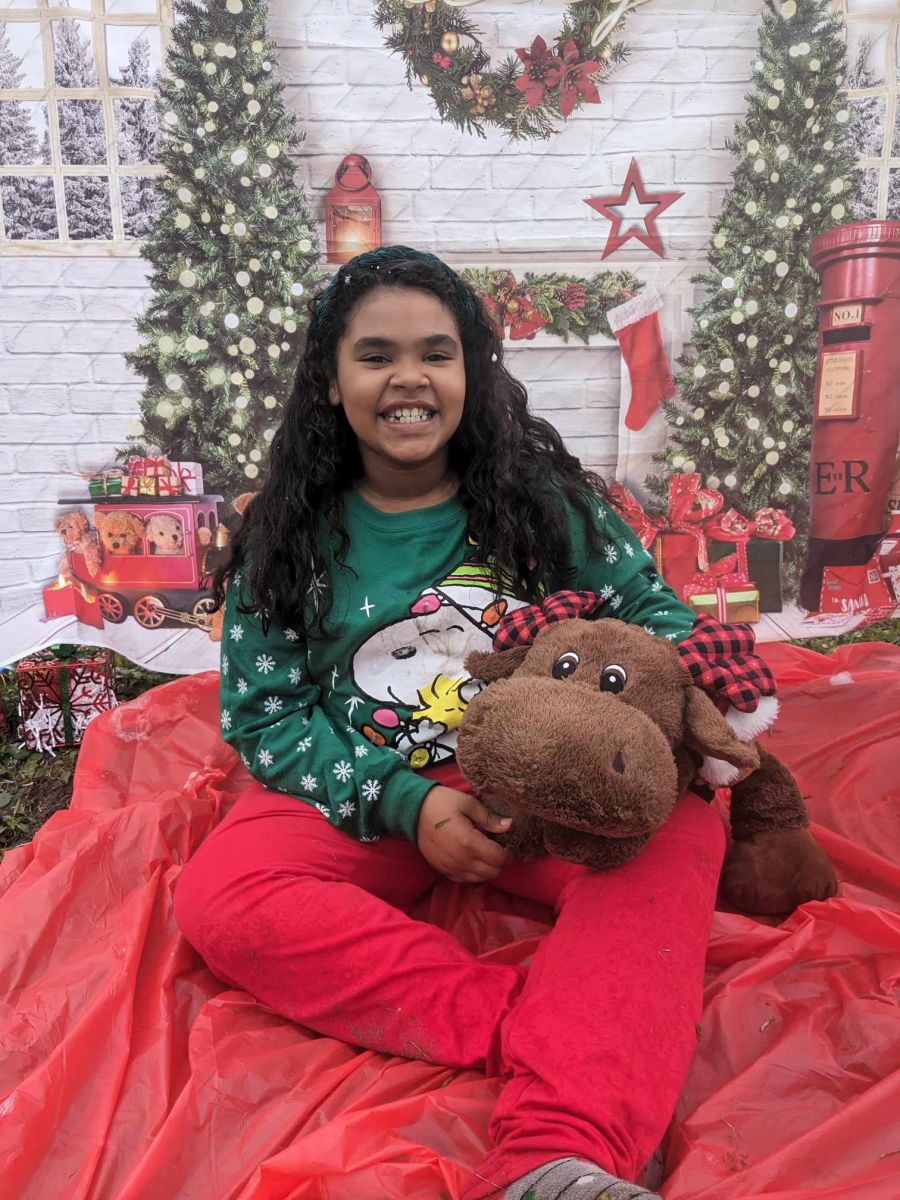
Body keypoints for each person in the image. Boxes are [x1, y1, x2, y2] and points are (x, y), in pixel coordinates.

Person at [173, 246, 727, 1200]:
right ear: (331, 380)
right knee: (221, 895)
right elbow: (266, 718)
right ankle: (543, 1027)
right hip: (367, 788)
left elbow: (661, 621)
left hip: (549, 784)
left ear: (471, 370)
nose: (408, 379)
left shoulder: (549, 506)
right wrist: (404, 803)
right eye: (376, 355)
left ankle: (561, 1155)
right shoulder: (289, 536)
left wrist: (669, 712)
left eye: (436, 352)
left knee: (677, 823)